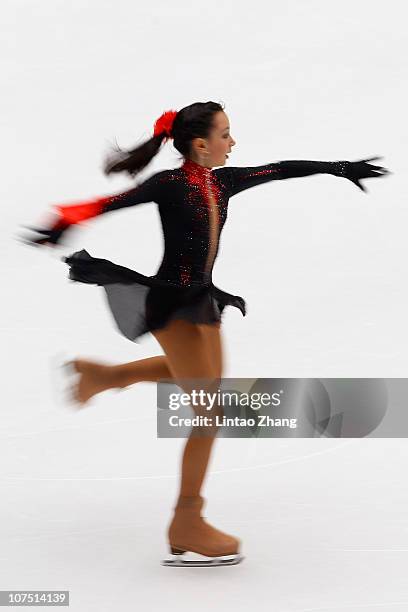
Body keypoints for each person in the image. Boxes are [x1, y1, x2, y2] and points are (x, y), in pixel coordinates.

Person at [19, 100, 390, 567]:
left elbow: (280, 169)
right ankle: (186, 521)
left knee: (204, 379)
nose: (233, 143)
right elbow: (111, 203)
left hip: (200, 299)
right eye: (226, 134)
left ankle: (104, 377)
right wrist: (60, 223)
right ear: (200, 144)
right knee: (209, 409)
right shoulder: (170, 186)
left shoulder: (223, 182)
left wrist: (340, 168)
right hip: (171, 305)